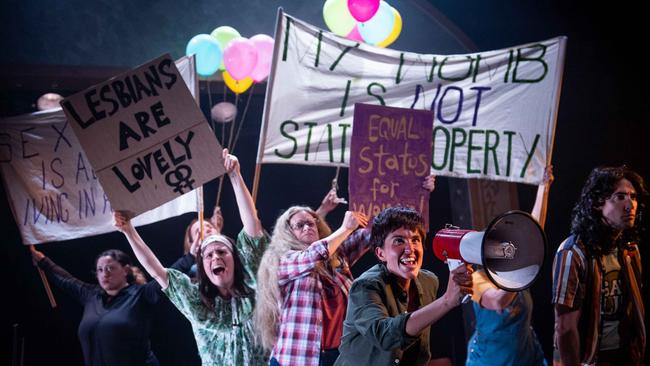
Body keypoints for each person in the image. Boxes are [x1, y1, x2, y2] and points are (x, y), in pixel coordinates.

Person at [255, 176, 436, 366]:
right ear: (287, 233)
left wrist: (417, 195)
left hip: (338, 356)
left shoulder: (337, 256)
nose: (309, 227)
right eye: (300, 225)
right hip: (298, 358)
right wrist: (345, 228)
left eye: (312, 223)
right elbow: (313, 255)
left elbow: (377, 231)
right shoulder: (283, 261)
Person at [114, 149, 269, 365]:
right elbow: (157, 271)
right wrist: (129, 232)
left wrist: (235, 176)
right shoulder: (195, 298)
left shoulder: (254, 285)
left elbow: (252, 225)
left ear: (236, 258)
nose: (215, 257)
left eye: (222, 252)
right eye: (209, 255)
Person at [334, 206, 473, 366]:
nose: (410, 249)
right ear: (381, 254)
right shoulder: (365, 286)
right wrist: (447, 301)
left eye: (415, 240)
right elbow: (385, 336)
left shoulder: (429, 281)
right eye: (399, 241)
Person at [552, 166, 646, 366]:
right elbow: (565, 327)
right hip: (591, 359)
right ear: (597, 203)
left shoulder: (630, 250)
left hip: (625, 355)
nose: (630, 205)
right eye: (620, 197)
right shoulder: (573, 253)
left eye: (633, 196)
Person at [466, 166, 554, 366]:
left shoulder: (515, 271)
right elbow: (498, 301)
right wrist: (521, 269)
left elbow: (535, 230)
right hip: (490, 361)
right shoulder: (477, 278)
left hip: (526, 358)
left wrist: (543, 186)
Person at [30, 247, 164, 366]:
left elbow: (164, 276)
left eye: (110, 268)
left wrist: (186, 257)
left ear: (125, 270)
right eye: (100, 270)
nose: (104, 273)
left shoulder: (141, 294)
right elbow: (67, 280)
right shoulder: (92, 295)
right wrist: (42, 260)